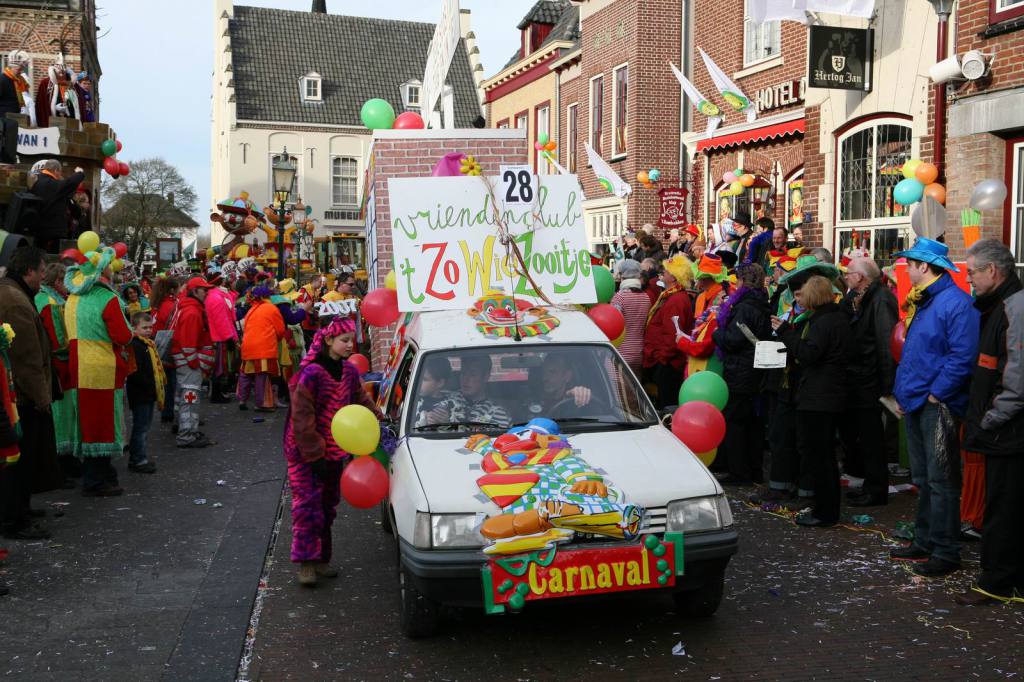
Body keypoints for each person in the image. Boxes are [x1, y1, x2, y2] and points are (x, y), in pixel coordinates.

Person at [890, 237, 979, 577]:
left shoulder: (955, 303)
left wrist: (936, 394)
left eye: (910, 265)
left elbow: (962, 356)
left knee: (941, 480)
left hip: (937, 404)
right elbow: (916, 353)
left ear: (924, 267)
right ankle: (926, 540)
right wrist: (904, 394)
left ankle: (945, 550)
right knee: (925, 478)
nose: (906, 271)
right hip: (919, 400)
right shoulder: (926, 301)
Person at [285, 316, 382, 586]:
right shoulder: (312, 374)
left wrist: (379, 416)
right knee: (307, 506)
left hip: (334, 450)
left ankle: (322, 559)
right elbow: (301, 418)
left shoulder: (349, 372)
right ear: (328, 340)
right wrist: (313, 453)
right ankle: (306, 562)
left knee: (328, 505)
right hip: (305, 453)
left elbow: (360, 399)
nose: (350, 345)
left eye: (352, 340)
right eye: (344, 340)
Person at [956, 240, 1024, 605]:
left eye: (972, 273)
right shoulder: (999, 306)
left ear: (992, 271)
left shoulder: (1013, 308)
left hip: (1008, 432)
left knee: (1003, 507)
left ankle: (998, 582)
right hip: (1003, 429)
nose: (969, 280)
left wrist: (989, 419)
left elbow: (1016, 378)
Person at [774, 275, 854, 526]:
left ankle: (825, 512)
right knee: (824, 455)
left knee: (819, 456)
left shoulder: (822, 322)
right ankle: (826, 509)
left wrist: (785, 332)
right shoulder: (837, 318)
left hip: (819, 396)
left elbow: (808, 354)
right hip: (829, 393)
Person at [63, 246, 134, 496]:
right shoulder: (106, 298)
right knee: (102, 423)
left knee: (87, 422)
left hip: (78, 366)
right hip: (102, 368)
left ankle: (101, 475)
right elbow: (123, 336)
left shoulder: (72, 298)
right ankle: (96, 480)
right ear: (103, 271)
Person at [0, 247, 57, 537]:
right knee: (19, 461)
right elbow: (27, 359)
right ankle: (15, 519)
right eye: (42, 271)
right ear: (28, 271)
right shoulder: (16, 302)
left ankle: (20, 508)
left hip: (17, 393)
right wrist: (42, 397)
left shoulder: (13, 293)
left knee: (21, 460)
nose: (44, 276)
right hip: (21, 398)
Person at [841, 257, 898, 507]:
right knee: (864, 436)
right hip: (862, 376)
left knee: (872, 437)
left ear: (861, 277)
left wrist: (887, 386)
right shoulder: (865, 297)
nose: (845, 277)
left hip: (870, 378)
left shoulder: (881, 299)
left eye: (849, 273)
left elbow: (886, 343)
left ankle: (876, 489)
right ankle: (870, 485)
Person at [711, 263, 772, 484]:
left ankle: (739, 472)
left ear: (743, 282)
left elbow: (733, 340)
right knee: (753, 423)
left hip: (740, 370)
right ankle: (754, 470)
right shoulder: (761, 302)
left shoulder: (744, 307)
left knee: (735, 422)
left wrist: (717, 334)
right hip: (754, 369)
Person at [34, 262, 78, 487]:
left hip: (55, 364)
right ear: (58, 281)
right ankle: (62, 465)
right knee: (62, 415)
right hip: (59, 365)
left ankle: (66, 462)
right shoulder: (50, 302)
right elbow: (58, 339)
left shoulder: (47, 299)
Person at [643, 255, 694, 409]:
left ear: (673, 277)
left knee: (667, 405)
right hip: (665, 361)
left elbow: (672, 335)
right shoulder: (673, 296)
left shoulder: (676, 300)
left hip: (668, 364)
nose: (662, 273)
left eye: (665, 271)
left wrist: (661, 359)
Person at [171, 277, 216, 448]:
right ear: (195, 291)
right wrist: (195, 364)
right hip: (189, 363)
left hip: (186, 362)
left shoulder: (189, 308)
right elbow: (188, 344)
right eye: (204, 290)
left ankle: (181, 426)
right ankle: (187, 435)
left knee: (183, 395)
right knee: (190, 397)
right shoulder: (192, 312)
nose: (207, 293)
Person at [125, 312, 163, 474]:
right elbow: (135, 372)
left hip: (147, 393)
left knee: (144, 426)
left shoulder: (148, 344)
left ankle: (138, 457)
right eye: (144, 328)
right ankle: (138, 460)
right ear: (134, 328)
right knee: (140, 428)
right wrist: (150, 385)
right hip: (140, 393)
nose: (148, 330)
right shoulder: (135, 345)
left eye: (150, 327)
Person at [238, 286, 286, 412]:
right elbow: (280, 330)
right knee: (261, 375)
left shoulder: (251, 309)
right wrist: (277, 339)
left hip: (247, 347)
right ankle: (261, 403)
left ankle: (242, 399)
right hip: (264, 348)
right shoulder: (272, 308)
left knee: (246, 374)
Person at [27, 159, 86, 253]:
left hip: (37, 231)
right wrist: (79, 172)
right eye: (60, 172)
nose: (60, 175)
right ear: (55, 170)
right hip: (52, 234)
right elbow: (71, 182)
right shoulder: (53, 184)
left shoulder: (36, 183)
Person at [610, 259, 651, 376]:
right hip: (639, 352)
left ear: (622, 276)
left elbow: (613, 325)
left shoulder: (619, 297)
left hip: (620, 352)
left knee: (615, 385)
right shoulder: (646, 297)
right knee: (634, 385)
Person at [443, 355, 510, 427]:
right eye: (463, 373)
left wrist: (448, 423)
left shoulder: (495, 412)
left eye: (473, 374)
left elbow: (498, 433)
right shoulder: (447, 397)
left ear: (486, 377)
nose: (466, 379)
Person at [204, 272, 238, 403]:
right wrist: (229, 337)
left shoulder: (214, 296)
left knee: (218, 366)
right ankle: (216, 394)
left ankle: (216, 393)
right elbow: (221, 321)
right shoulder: (216, 298)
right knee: (218, 367)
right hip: (218, 337)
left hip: (217, 336)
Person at [150, 277, 180, 424]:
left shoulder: (158, 304)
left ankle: (166, 412)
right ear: (173, 290)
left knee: (166, 381)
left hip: (159, 345)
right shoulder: (171, 305)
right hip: (169, 346)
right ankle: (171, 412)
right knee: (172, 382)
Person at [413, 356, 455, 428]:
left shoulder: (452, 404)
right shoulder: (412, 399)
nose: (419, 382)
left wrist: (446, 423)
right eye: (419, 378)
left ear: (440, 383)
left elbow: (460, 428)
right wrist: (423, 420)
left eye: (425, 379)